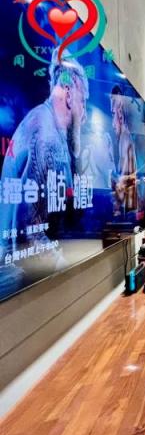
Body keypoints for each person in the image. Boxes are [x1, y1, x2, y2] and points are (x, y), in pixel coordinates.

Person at [0, 50, 89, 283]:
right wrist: (71, 274)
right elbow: (29, 234)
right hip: (17, 281)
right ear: (69, 93)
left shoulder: (47, 124)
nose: (84, 114)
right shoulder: (46, 135)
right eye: (83, 101)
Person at [110, 85, 138, 216]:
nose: (112, 123)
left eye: (113, 114)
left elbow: (125, 182)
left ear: (120, 113)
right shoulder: (124, 137)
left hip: (127, 212)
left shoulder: (125, 138)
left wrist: (112, 179)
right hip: (128, 210)